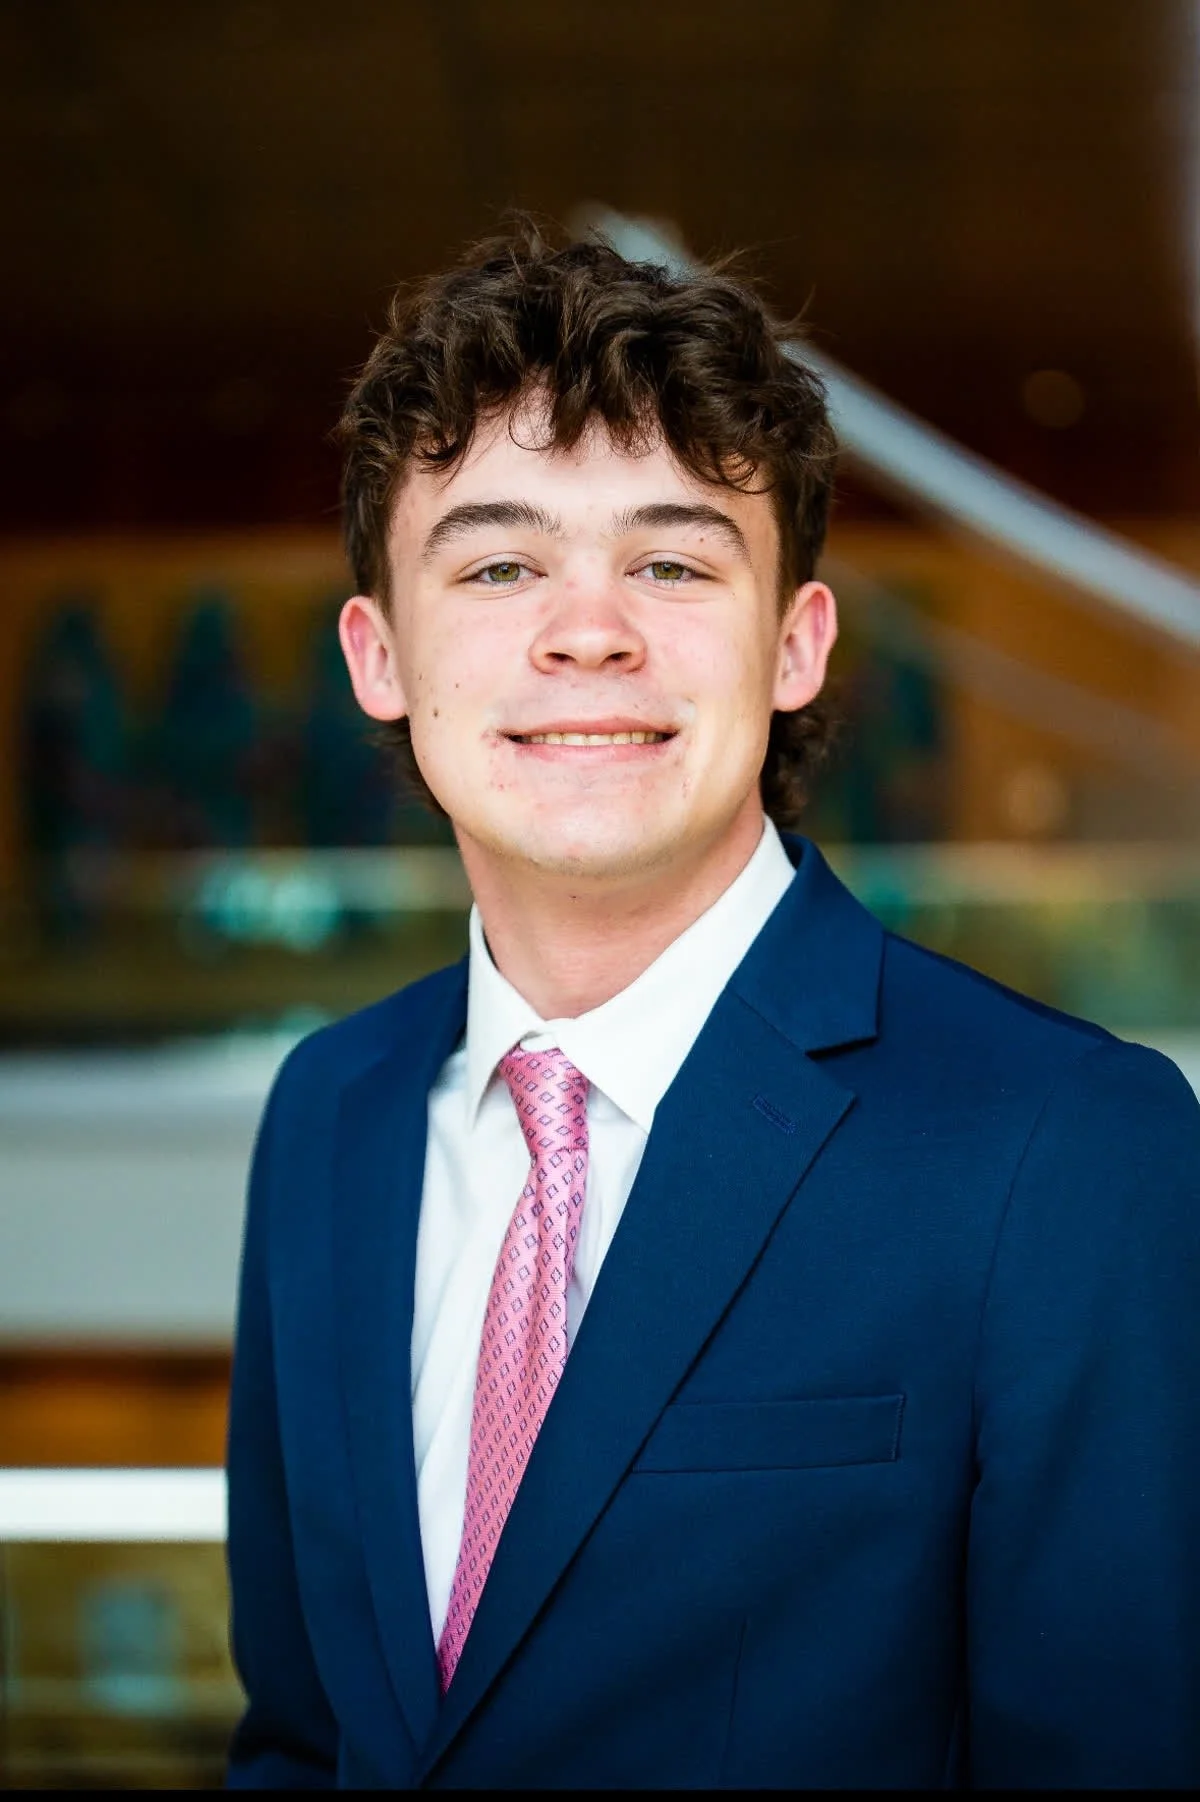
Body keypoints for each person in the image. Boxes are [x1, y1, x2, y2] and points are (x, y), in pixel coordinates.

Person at [225, 225, 1200, 1789]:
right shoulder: (329, 1112)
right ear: (380, 655)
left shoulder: (1069, 1145)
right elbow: (300, 1736)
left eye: (673, 562)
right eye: (496, 564)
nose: (588, 629)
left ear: (796, 643)